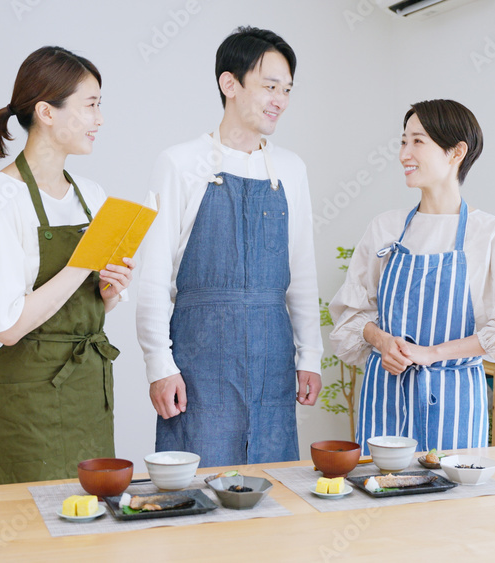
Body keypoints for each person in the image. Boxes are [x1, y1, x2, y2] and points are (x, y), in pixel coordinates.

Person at [136, 26, 322, 467]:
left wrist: (310, 355)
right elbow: (153, 277)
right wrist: (159, 364)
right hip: (200, 362)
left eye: (287, 90)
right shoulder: (179, 162)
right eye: (270, 86)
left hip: (273, 357)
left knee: (273, 483)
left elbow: (302, 274)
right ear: (229, 83)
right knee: (199, 486)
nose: (280, 100)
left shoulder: (291, 169)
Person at [0, 46, 134, 486]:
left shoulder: (92, 195)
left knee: (90, 515)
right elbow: (8, 328)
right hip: (27, 402)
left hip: (88, 391)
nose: (99, 119)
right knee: (27, 518)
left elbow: (90, 307)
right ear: (47, 112)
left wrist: (109, 291)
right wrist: (82, 264)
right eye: (90, 105)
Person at [328, 99, 495, 454]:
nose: (404, 154)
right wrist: (382, 341)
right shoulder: (385, 228)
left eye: (418, 141)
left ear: (456, 152)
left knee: (449, 488)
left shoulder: (491, 234)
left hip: (455, 403)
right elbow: (351, 316)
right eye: (403, 141)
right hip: (385, 394)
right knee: (379, 485)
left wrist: (431, 353)